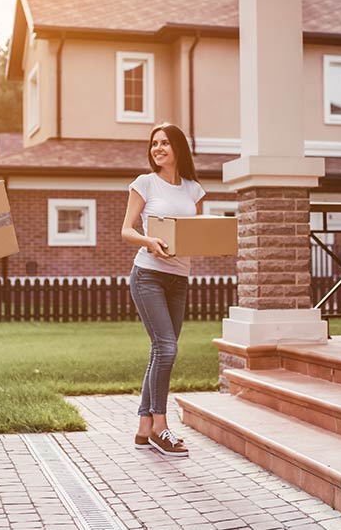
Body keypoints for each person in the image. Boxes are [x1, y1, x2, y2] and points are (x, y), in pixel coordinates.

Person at [120, 123, 205, 457]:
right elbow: (126, 230)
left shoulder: (193, 190)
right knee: (167, 349)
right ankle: (160, 426)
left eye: (165, 143)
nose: (158, 148)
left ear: (178, 148)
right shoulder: (145, 183)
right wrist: (148, 241)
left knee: (161, 351)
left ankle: (143, 429)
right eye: (154, 143)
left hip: (179, 278)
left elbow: (195, 233)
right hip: (148, 275)